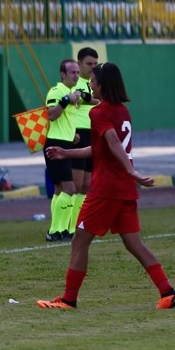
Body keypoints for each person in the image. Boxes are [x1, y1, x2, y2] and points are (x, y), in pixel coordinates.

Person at [37, 62, 175, 311]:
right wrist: (66, 153)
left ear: (103, 84)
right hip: (124, 188)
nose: (89, 83)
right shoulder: (122, 111)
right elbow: (102, 147)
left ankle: (69, 299)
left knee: (79, 241)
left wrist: (131, 170)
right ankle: (167, 292)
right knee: (134, 244)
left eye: (92, 79)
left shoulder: (99, 112)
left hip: (106, 188)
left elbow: (113, 143)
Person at [43, 59, 82, 241]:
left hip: (65, 143)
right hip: (55, 144)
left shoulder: (71, 92)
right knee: (70, 188)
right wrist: (67, 100)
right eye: (72, 72)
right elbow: (51, 115)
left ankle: (59, 230)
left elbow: (63, 121)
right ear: (63, 74)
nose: (76, 75)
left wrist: (72, 135)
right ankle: (55, 230)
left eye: (77, 72)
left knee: (60, 189)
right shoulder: (57, 91)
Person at [68, 47, 100, 234]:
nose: (93, 67)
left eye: (95, 64)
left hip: (92, 133)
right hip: (78, 133)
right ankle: (68, 225)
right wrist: (71, 133)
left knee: (87, 185)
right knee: (76, 184)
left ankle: (79, 222)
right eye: (89, 64)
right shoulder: (75, 84)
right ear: (79, 63)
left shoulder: (95, 84)